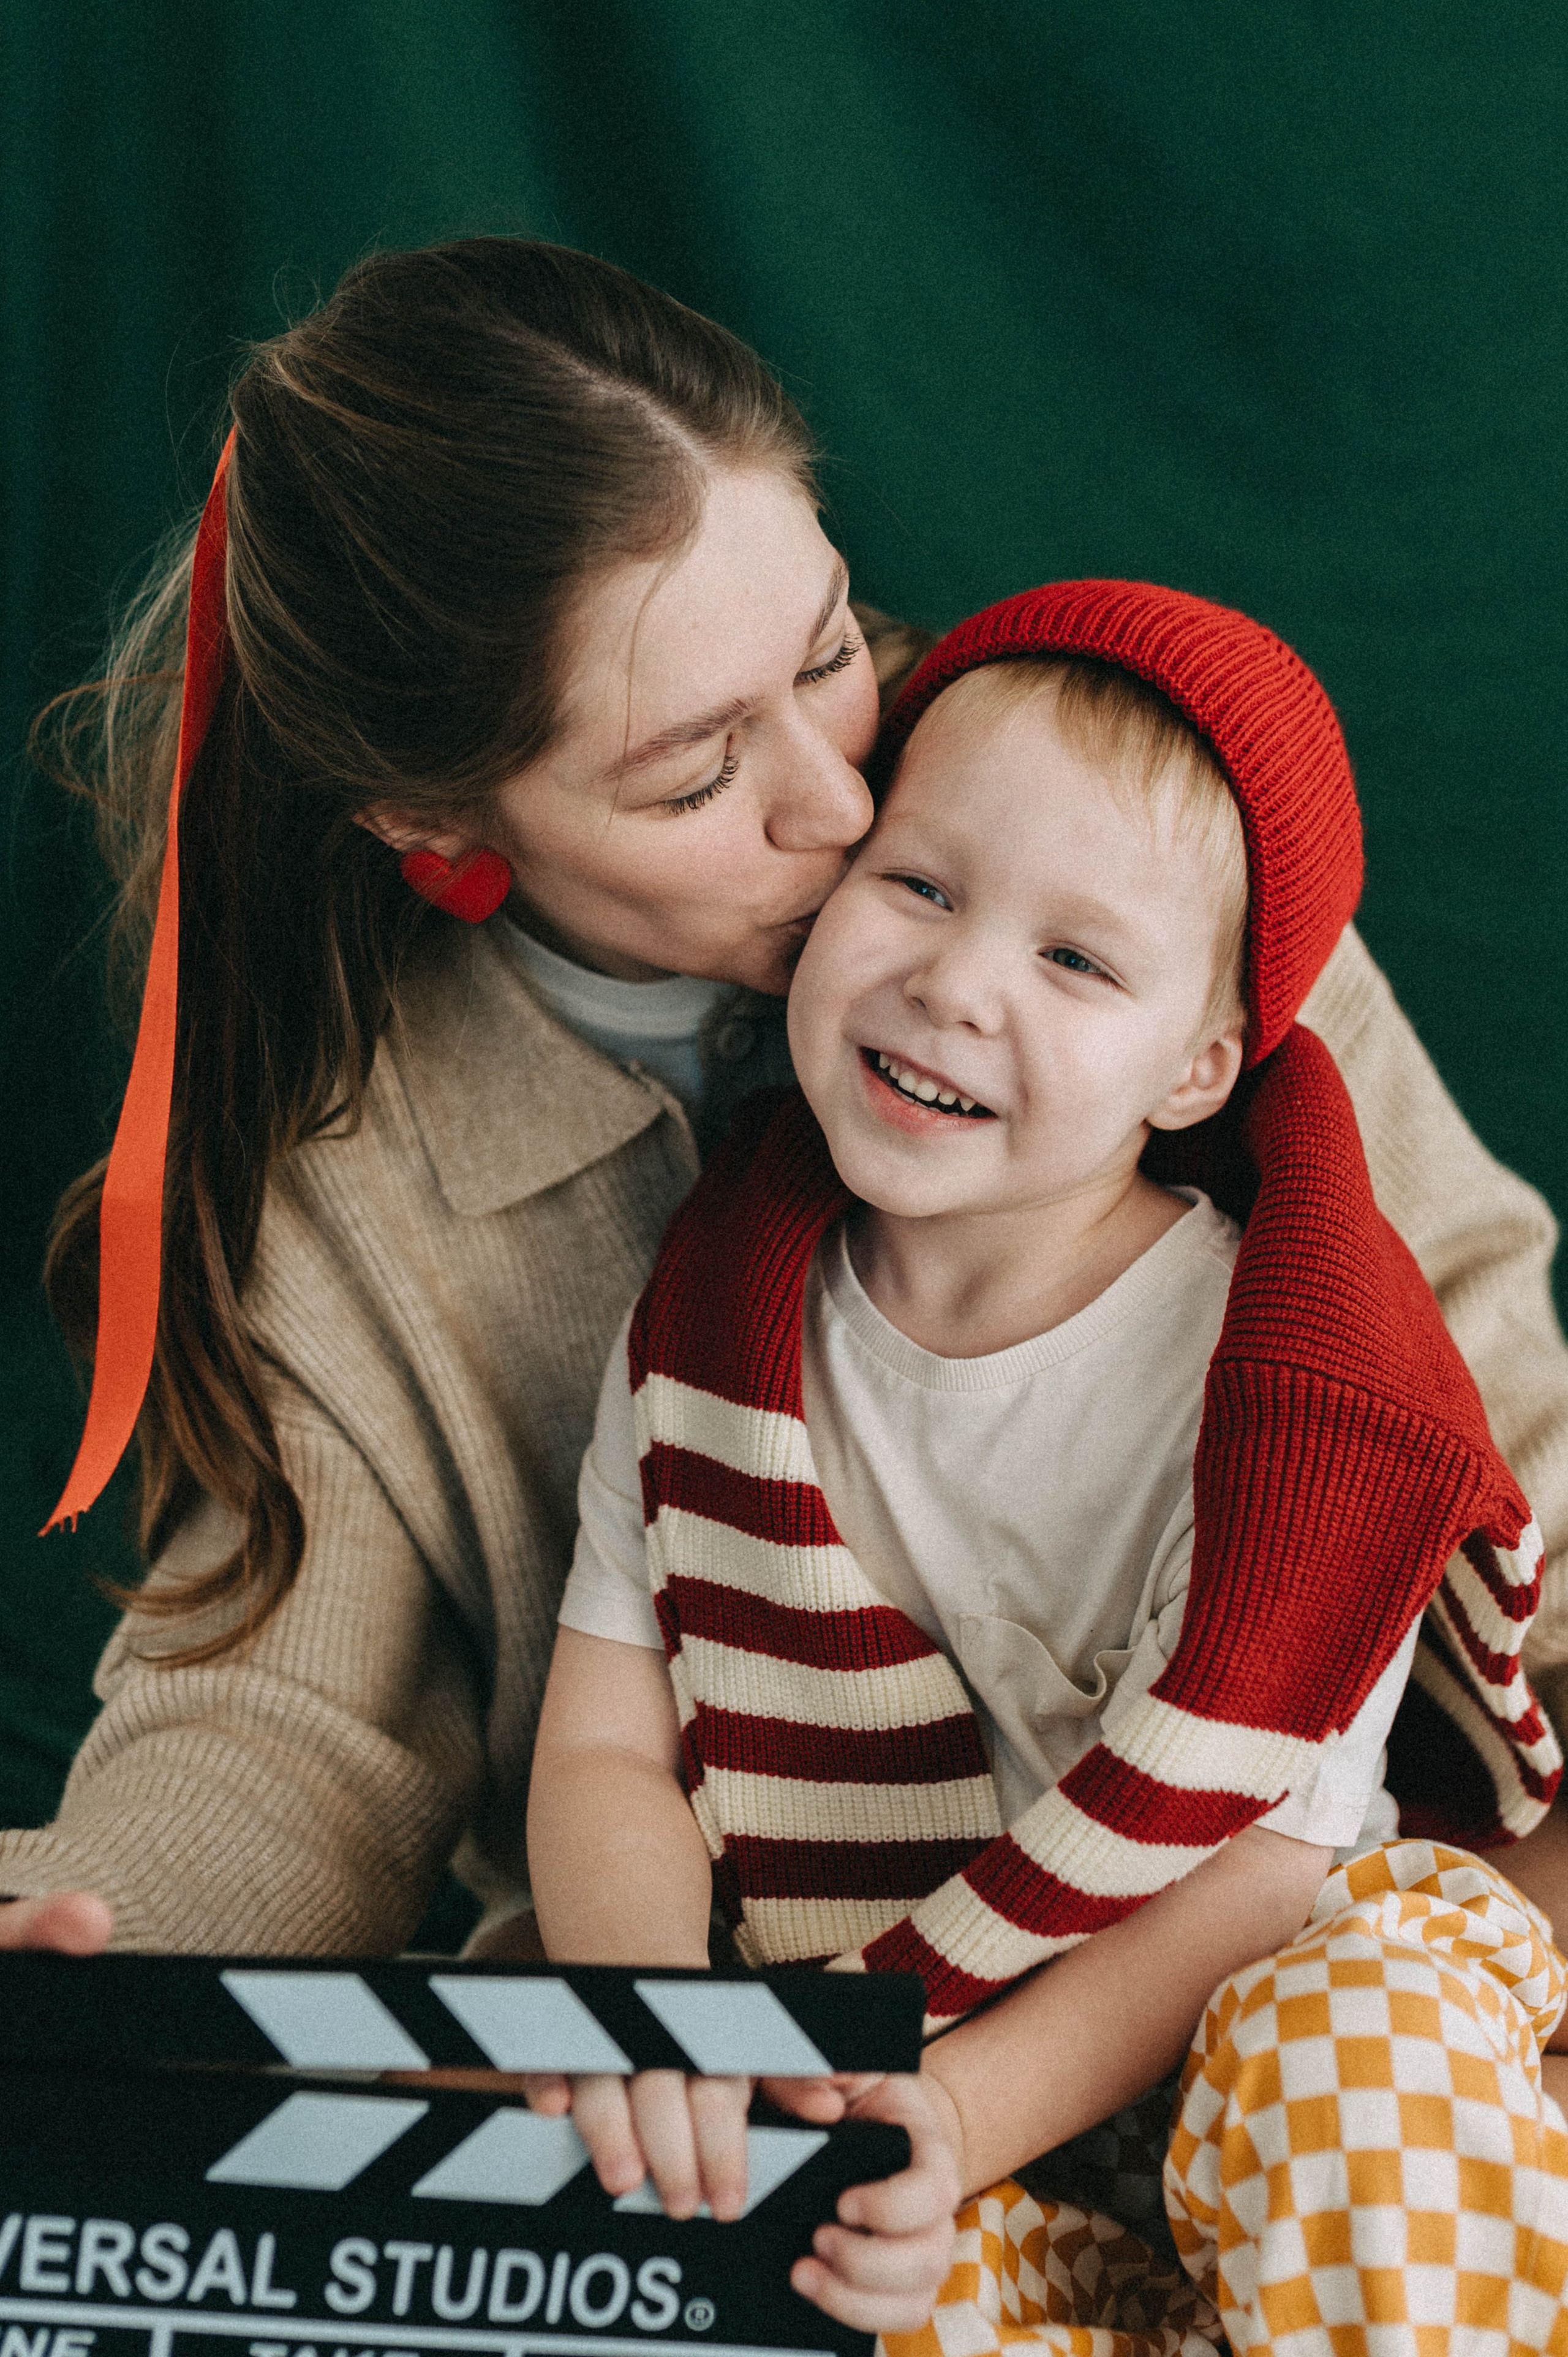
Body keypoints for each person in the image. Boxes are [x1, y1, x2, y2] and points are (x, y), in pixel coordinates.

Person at [4, 235, 1568, 1996]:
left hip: (1278, 1974)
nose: (838, 799)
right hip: (735, 2014)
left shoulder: (1144, 864)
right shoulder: (351, 1203)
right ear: (431, 827)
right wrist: (89, 1942)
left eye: (827, 649)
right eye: (692, 773)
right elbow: (289, 1726)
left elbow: (1510, 1460)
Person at [526, 583, 1568, 2352]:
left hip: (1265, 1980)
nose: (955, 981)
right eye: (920, 887)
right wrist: (661, 2026)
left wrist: (970, 2110)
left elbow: (1251, 1876)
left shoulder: (1294, 1394)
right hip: (924, 2055)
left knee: (1356, 2058)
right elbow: (613, 1740)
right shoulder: (714, 1332)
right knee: (824, 2260)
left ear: (1199, 1065)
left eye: (1075, 960)